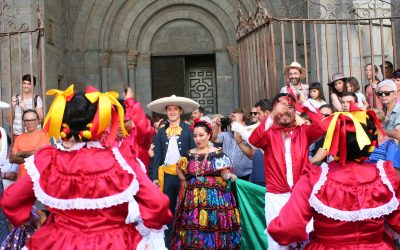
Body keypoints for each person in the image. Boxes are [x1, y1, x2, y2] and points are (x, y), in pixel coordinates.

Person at [1, 85, 172, 249]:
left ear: (64, 121)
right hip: (115, 242)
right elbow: (157, 204)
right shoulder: (122, 160)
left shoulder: (46, 161)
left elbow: (11, 201)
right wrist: (149, 229)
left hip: (59, 241)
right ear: (100, 119)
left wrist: (32, 217)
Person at [267, 108, 400, 249]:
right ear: (369, 142)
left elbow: (287, 227)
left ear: (332, 142)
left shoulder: (314, 178)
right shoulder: (385, 177)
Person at [248, 93, 324, 249]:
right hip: (276, 196)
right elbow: (254, 140)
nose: (285, 110)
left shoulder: (303, 131)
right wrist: (272, 116)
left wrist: (305, 104)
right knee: (277, 244)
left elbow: (323, 126)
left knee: (309, 238)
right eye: (280, 106)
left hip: (301, 195)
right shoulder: (268, 133)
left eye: (289, 106)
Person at [172, 120, 241, 249]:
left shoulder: (218, 153)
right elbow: (178, 169)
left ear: (209, 135)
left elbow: (224, 173)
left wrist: (229, 176)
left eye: (201, 135)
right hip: (192, 201)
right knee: (194, 232)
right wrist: (184, 182)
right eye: (195, 136)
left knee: (214, 228)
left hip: (215, 200)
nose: (198, 139)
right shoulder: (188, 155)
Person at [147, 94, 199, 247]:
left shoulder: (188, 130)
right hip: (166, 177)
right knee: (167, 211)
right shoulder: (161, 133)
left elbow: (192, 154)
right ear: (166, 112)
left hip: (184, 176)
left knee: (185, 208)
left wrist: (191, 175)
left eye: (175, 109)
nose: (172, 112)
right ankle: (168, 244)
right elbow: (157, 158)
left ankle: (187, 243)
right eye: (169, 109)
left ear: (180, 111)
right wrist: (155, 178)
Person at [212, 108, 253, 181]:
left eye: (237, 121)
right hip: (227, 176)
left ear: (245, 122)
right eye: (233, 121)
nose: (234, 124)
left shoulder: (250, 136)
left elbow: (252, 154)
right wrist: (217, 125)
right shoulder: (226, 135)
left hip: (245, 178)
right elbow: (213, 138)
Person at [9, 109, 49, 179]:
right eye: (27, 120)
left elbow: (44, 155)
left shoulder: (47, 135)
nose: (29, 123)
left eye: (32, 120)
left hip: (40, 180)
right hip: (22, 179)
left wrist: (20, 153)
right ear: (23, 122)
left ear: (38, 120)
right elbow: (12, 159)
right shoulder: (19, 138)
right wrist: (34, 155)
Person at [9, 74, 44, 139]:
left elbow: (40, 119)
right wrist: (12, 107)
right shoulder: (15, 98)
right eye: (24, 83)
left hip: (33, 134)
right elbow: (9, 119)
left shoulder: (36, 99)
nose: (26, 86)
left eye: (29, 84)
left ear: (33, 86)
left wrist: (26, 109)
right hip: (17, 133)